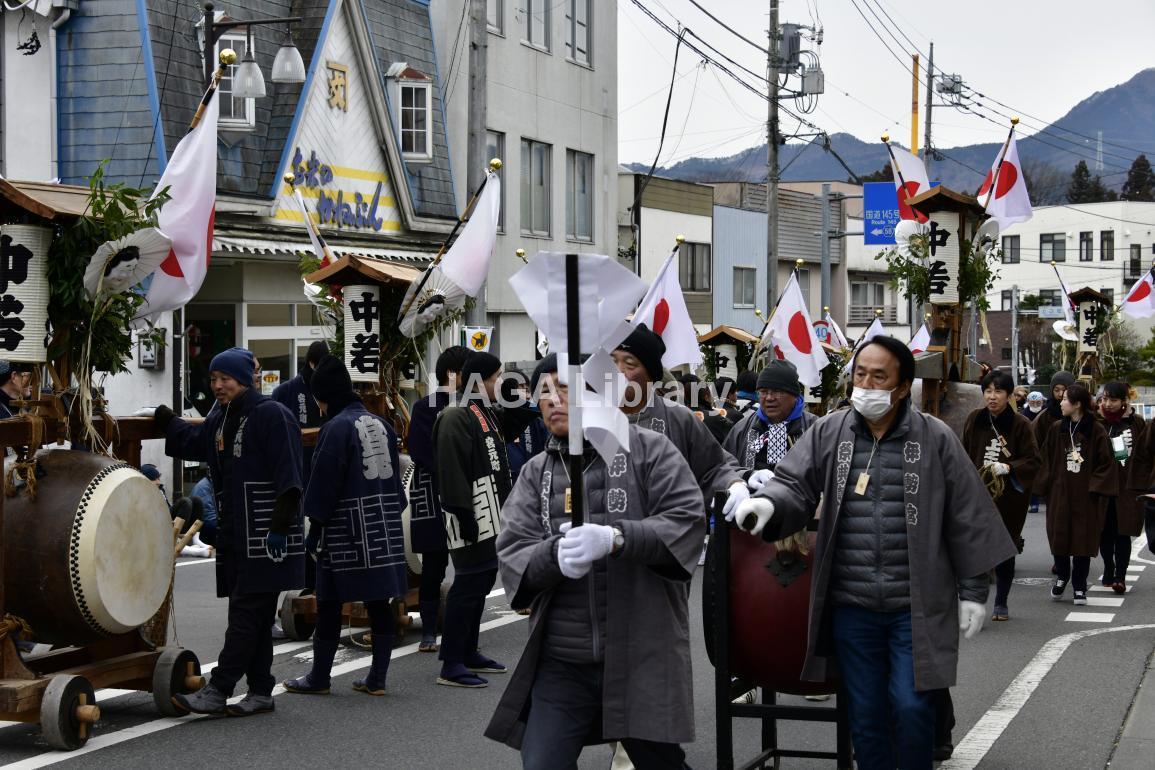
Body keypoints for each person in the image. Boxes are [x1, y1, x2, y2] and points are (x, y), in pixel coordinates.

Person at [730, 336, 1016, 770]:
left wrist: (974, 590)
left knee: (912, 707)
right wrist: (768, 505)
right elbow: (794, 482)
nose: (866, 384)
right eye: (860, 374)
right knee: (865, 715)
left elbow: (967, 513)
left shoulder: (934, 437)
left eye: (879, 376)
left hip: (915, 607)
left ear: (902, 387)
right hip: (852, 605)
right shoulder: (831, 430)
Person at [485, 354, 705, 769]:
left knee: (659, 763)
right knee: (543, 764)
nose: (551, 400)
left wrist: (617, 539)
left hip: (640, 652)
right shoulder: (536, 471)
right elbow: (513, 547)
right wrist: (553, 556)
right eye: (544, 391)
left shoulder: (651, 451)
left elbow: (687, 521)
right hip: (563, 660)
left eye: (563, 389)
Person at [155, 346, 305, 717]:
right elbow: (195, 442)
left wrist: (280, 528)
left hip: (268, 534)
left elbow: (289, 477)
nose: (218, 386)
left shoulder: (272, 414)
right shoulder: (222, 416)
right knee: (253, 613)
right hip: (237, 531)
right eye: (213, 379)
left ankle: (219, 688)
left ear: (244, 378)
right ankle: (260, 690)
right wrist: (167, 420)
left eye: (225, 379)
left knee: (245, 612)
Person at [283, 356, 408, 696]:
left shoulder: (335, 428)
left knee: (328, 604)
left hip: (346, 530)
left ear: (325, 396)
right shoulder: (380, 423)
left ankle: (319, 678)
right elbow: (397, 486)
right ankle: (378, 679)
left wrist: (314, 530)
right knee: (381, 602)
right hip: (383, 525)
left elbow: (323, 484)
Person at [612, 325, 750, 517]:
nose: (618, 372)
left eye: (630, 364)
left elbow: (713, 467)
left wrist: (735, 483)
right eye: (611, 362)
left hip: (668, 534)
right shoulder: (587, 419)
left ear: (651, 375)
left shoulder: (678, 418)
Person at [433, 351, 511, 688]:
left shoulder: (483, 411)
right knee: (467, 583)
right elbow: (451, 470)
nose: (499, 383)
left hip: (489, 509)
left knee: (482, 580)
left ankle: (468, 650)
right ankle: (451, 662)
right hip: (469, 510)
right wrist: (463, 513)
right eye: (495, 377)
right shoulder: (455, 414)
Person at [408, 345, 472, 653]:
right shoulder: (425, 407)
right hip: (433, 490)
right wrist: (454, 472)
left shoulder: (474, 405)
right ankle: (429, 629)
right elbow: (421, 451)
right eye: (467, 371)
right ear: (454, 374)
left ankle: (463, 624)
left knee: (468, 561)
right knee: (434, 563)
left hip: (467, 489)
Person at [961, 371, 1040, 621]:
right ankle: (975, 602)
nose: (992, 397)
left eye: (998, 392)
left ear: (1009, 395)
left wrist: (1009, 467)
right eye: (988, 391)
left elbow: (1033, 459)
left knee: (1005, 547)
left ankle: (1001, 601)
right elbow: (963, 452)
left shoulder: (1021, 424)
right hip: (977, 492)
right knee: (975, 549)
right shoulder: (975, 419)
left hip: (1009, 497)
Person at [1033, 382, 1119, 605]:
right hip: (1060, 494)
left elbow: (1106, 463)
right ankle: (1062, 576)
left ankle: (1080, 585)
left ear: (1077, 404)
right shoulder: (1057, 428)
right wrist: (1043, 486)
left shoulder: (1096, 430)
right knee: (1058, 535)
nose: (1061, 402)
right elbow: (1045, 460)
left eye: (1065, 400)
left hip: (1086, 496)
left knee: (1083, 540)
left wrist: (1093, 488)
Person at [722, 359, 817, 475]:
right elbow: (723, 468)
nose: (769, 398)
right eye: (763, 391)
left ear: (795, 395)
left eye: (777, 391)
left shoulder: (815, 428)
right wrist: (745, 476)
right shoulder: (741, 429)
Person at [1097, 381, 1145, 593]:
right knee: (1104, 533)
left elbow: (1145, 454)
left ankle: (1120, 576)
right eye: (1105, 399)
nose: (1108, 404)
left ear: (1125, 401)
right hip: (1102, 487)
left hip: (1128, 487)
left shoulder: (1137, 423)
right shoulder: (1096, 423)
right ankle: (1109, 567)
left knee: (1122, 532)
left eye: (1113, 400)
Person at [1033, 371, 1075, 444]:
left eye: (1064, 390)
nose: (1060, 394)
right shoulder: (1043, 417)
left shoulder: (1079, 414)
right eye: (1056, 390)